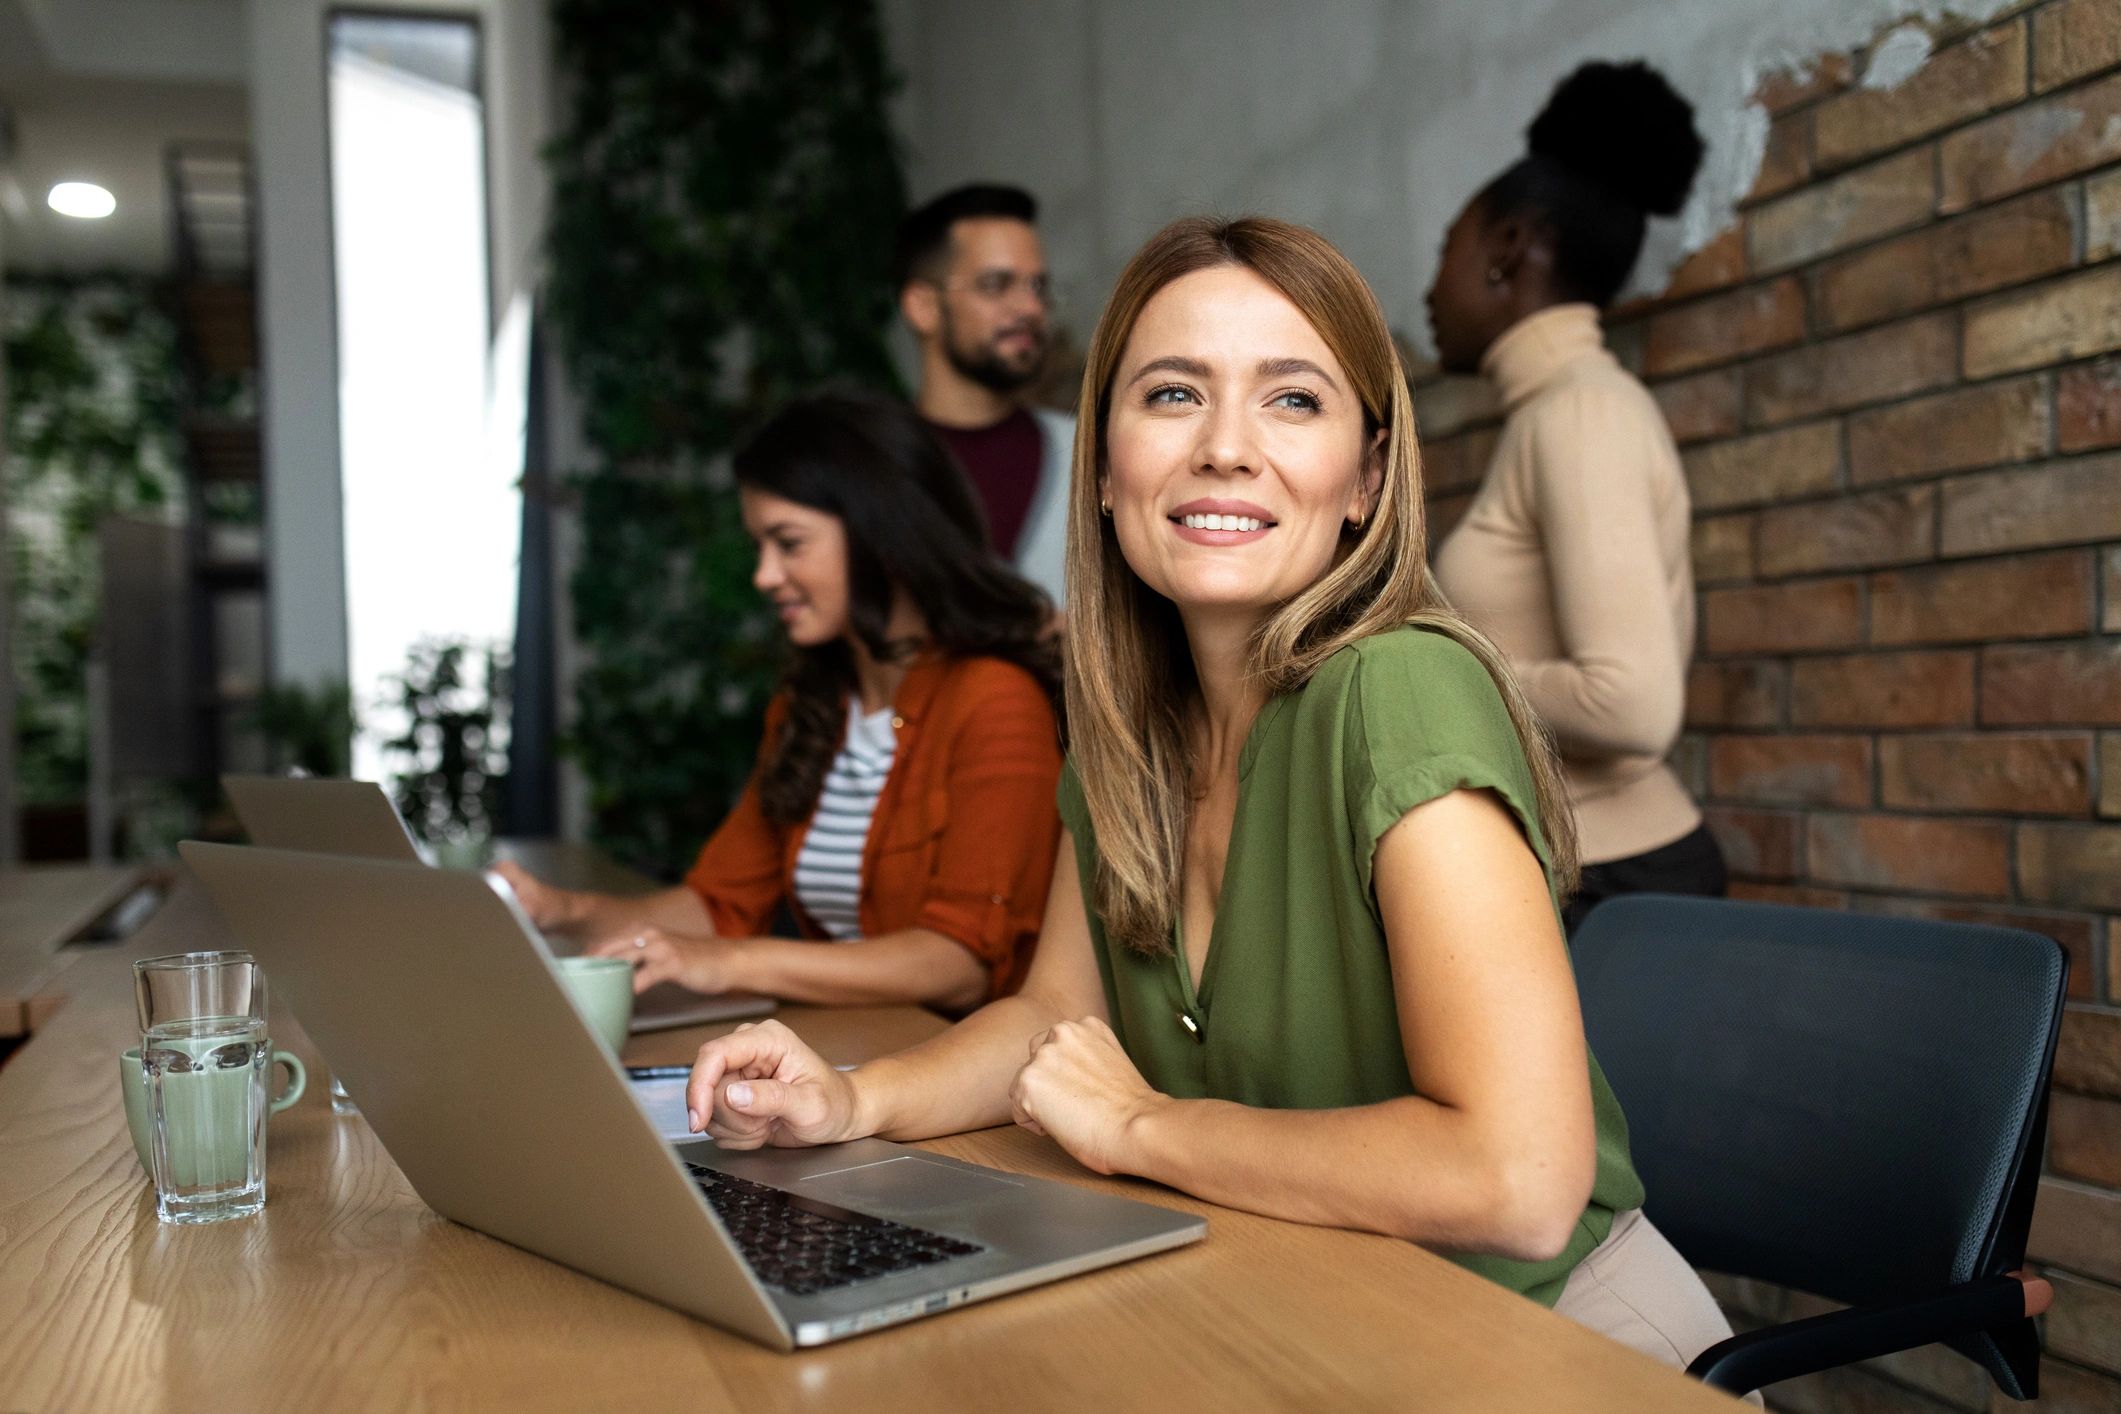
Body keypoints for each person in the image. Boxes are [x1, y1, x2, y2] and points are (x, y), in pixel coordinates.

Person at [678, 216, 1736, 1371]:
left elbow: (1521, 1183)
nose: (1226, 448)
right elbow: (1053, 1024)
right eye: (1174, 394)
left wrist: (1141, 1126)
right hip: (1312, 1307)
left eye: (1292, 399)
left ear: (1367, 478)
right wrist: (854, 1100)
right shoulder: (1127, 727)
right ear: (1102, 466)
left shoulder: (1401, 690)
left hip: (1545, 1331)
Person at [495, 393, 1063, 1012]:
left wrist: (731, 962)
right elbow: (718, 904)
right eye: (761, 546)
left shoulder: (996, 700)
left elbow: (960, 965)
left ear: (883, 537)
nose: (764, 575)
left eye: (788, 543)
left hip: (969, 1080)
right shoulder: (814, 706)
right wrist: (563, 912)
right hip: (858, 1050)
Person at [1426, 61, 1726, 934]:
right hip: (1585, 870)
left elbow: (1630, 704)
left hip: (1616, 887)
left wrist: (1432, 661)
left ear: (1509, 249)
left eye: (1447, 244)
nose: (1426, 286)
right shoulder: (1556, 414)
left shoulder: (1582, 413)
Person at [894, 183, 1072, 604]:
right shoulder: (872, 468)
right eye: (996, 284)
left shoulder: (1089, 452)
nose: (1030, 309)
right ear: (923, 307)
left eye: (1037, 287)